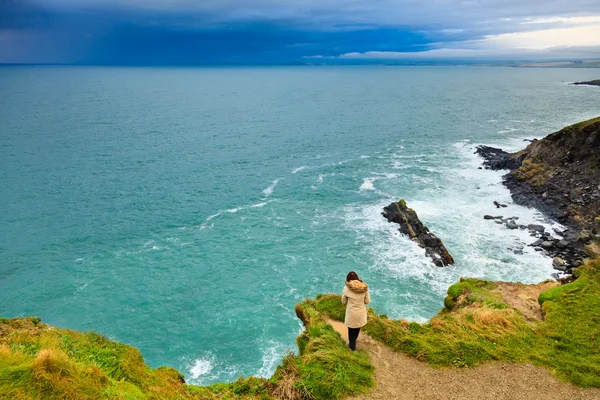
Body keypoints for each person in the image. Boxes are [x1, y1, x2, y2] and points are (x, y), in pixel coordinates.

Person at [341, 271, 370, 350]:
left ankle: (352, 350)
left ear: (348, 279)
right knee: (357, 328)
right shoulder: (364, 288)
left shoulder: (346, 288)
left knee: (351, 332)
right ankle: (354, 340)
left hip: (351, 314)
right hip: (361, 314)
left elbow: (343, 302)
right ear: (357, 278)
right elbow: (367, 301)